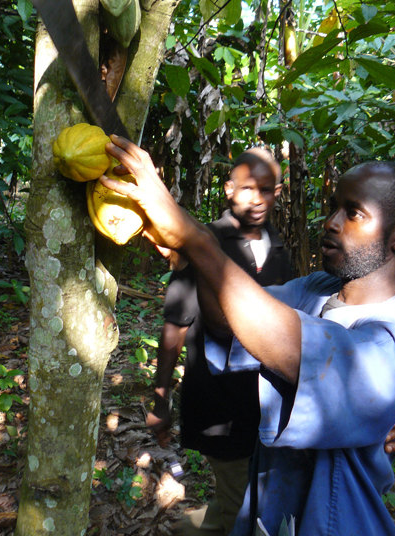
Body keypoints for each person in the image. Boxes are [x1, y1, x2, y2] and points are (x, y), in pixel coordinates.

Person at [100, 136, 395, 536]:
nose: (332, 222)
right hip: (271, 507)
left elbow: (292, 347)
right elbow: (228, 319)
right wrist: (189, 253)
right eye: (334, 207)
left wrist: (195, 239)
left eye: (353, 213)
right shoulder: (318, 289)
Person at [146, 148, 292, 535]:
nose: (257, 199)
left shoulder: (278, 249)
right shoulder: (204, 241)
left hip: (264, 406)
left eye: (266, 189)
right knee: (237, 504)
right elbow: (175, 324)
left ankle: (192, 528)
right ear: (229, 189)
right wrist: (161, 397)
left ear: (278, 191)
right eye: (247, 188)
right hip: (219, 404)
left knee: (245, 497)